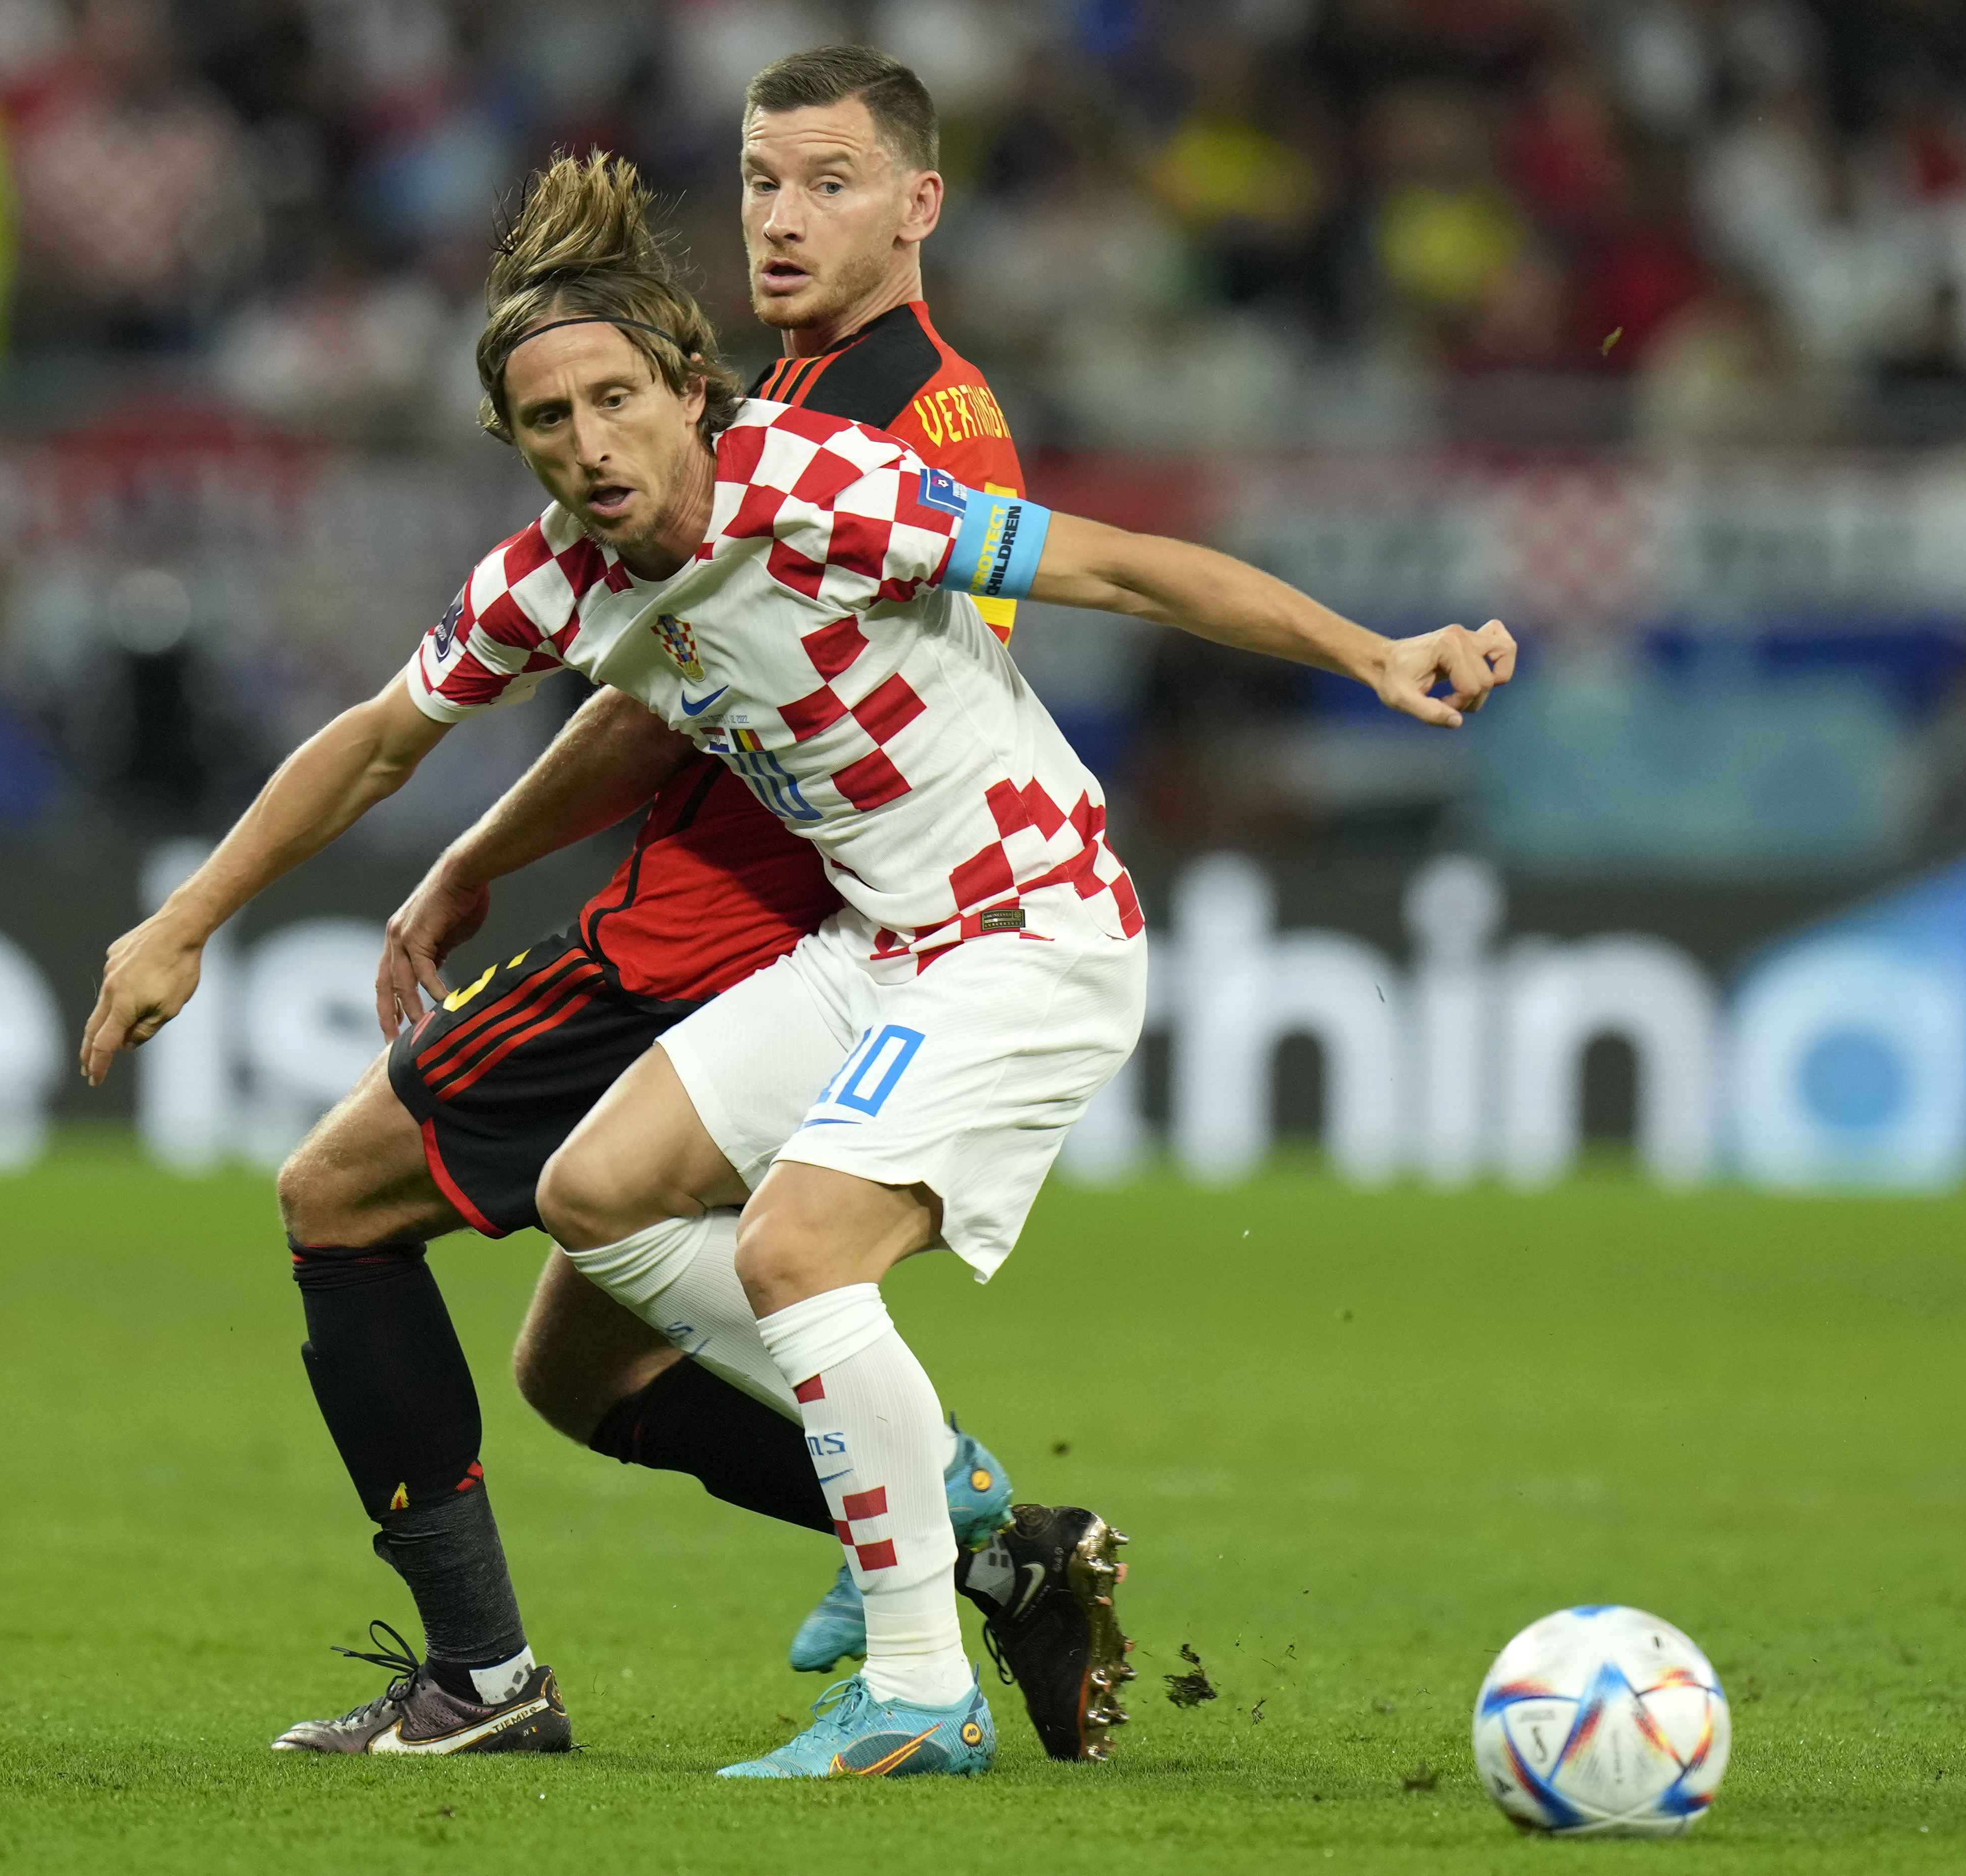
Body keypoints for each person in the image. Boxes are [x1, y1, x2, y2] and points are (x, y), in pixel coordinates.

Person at [407, 153, 1510, 1778]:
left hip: (1029, 928)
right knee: (593, 1196)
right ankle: (936, 1489)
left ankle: (921, 1685)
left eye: (614, 402)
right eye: (550, 420)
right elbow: (391, 736)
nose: (587, 443)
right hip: (882, 940)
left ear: (684, 392)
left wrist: (1369, 650)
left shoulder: (846, 477)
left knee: (793, 1258)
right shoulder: (570, 570)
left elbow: (1123, 566)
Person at [79, 48, 1115, 1762]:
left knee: (338, 1196)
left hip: (743, 918)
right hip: (750, 909)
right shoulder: (780, 391)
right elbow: (650, 664)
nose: (779, 218)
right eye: (762, 181)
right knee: (586, 1371)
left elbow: (798, 701)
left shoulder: (888, 425)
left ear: (918, 204)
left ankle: (506, 1679)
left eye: (828, 184)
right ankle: (987, 1556)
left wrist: (478, 855)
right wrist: (484, 851)